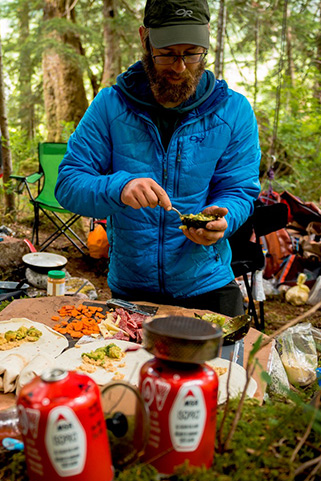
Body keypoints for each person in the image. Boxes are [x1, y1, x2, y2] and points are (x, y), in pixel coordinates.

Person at [54, 0, 261, 316]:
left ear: (206, 39)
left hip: (208, 286)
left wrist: (225, 216)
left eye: (191, 53)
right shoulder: (110, 107)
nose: (179, 67)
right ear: (144, 38)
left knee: (227, 367)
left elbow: (239, 190)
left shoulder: (233, 111)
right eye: (166, 53)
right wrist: (120, 188)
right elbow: (68, 183)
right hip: (133, 290)